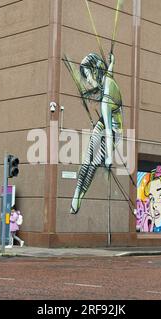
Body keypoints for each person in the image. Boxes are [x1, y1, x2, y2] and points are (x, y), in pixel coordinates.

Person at [67, 52, 123, 214]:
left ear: (96, 71)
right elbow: (109, 73)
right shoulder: (106, 78)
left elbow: (109, 130)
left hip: (113, 131)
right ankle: (77, 191)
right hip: (103, 124)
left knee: (93, 163)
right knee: (88, 158)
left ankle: (79, 196)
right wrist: (112, 63)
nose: (88, 80)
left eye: (88, 75)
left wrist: (109, 158)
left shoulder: (106, 98)